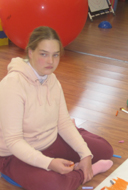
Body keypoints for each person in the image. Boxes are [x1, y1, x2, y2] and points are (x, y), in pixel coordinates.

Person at [0, 26, 113, 190]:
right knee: (54, 185)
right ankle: (83, 174)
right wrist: (49, 163)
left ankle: (79, 158)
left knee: (105, 150)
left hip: (50, 140)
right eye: (43, 54)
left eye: (55, 55)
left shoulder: (52, 80)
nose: (50, 62)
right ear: (30, 52)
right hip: (14, 154)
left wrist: (85, 154)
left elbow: (63, 123)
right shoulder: (12, 85)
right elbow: (14, 141)